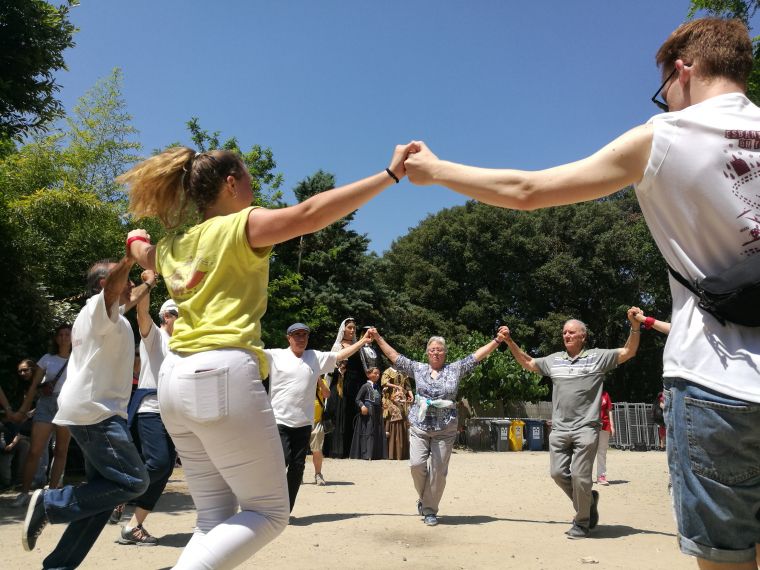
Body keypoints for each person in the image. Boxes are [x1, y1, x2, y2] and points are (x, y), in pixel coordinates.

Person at [405, 17, 760, 565]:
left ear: (683, 70)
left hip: (718, 380)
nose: (665, 100)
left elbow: (529, 190)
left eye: (664, 87)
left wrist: (437, 170)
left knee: (725, 559)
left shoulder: (664, 138)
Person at [121, 142, 416, 569]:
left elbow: (143, 253)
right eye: (248, 179)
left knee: (213, 520)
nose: (253, 188)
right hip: (221, 373)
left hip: (172, 382)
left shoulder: (175, 244)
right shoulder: (241, 226)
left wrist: (134, 240)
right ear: (230, 183)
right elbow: (311, 214)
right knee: (270, 512)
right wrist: (388, 176)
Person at [21, 258, 151, 569]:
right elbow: (116, 293)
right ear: (106, 285)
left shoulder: (111, 315)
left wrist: (152, 280)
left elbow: (129, 300)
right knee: (134, 482)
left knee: (100, 500)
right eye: (127, 278)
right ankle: (50, 504)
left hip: (93, 411)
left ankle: (58, 566)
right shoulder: (97, 306)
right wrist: (131, 256)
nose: (131, 283)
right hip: (97, 413)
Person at [501, 311, 640, 539]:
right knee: (557, 473)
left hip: (586, 428)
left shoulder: (598, 358)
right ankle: (588, 501)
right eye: (564, 332)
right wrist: (509, 342)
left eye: (571, 332)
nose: (566, 335)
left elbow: (628, 351)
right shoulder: (554, 360)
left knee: (580, 475)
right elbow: (527, 361)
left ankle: (582, 521)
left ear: (583, 337)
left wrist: (635, 327)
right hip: (559, 429)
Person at [370, 327, 508, 527]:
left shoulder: (455, 369)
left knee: (438, 471)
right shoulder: (417, 369)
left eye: (440, 350)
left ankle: (429, 509)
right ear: (427, 352)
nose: (436, 352)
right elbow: (395, 357)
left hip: (445, 427)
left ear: (445, 353)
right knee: (416, 465)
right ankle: (425, 498)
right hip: (420, 425)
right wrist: (377, 337)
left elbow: (476, 356)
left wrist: (497, 340)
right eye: (432, 349)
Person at [264, 322, 371, 512]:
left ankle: (285, 510)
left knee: (298, 467)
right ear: (288, 338)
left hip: (304, 423)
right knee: (282, 460)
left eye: (304, 335)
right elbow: (249, 352)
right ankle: (269, 501)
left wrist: (362, 341)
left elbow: (340, 355)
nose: (301, 338)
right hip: (279, 421)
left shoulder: (314, 357)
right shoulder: (275, 355)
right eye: (296, 335)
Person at [113, 270, 178, 546]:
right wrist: (149, 280)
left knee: (164, 469)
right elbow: (141, 312)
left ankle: (133, 526)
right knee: (159, 462)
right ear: (166, 317)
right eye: (178, 315)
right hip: (151, 408)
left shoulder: (186, 345)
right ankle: (120, 493)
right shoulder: (155, 337)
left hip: (175, 414)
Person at [11, 325, 73, 508]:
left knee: (61, 450)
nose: (63, 338)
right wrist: (23, 410)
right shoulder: (47, 359)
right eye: (60, 335)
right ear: (56, 338)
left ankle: (52, 494)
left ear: (73, 337)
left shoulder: (79, 358)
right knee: (35, 450)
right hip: (46, 404)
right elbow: (33, 387)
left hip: (67, 403)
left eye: (67, 334)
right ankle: (24, 492)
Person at [328, 318, 367, 458]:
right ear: (343, 329)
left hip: (357, 385)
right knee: (341, 413)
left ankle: (354, 449)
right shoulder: (337, 346)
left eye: (353, 328)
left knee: (353, 413)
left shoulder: (359, 346)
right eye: (349, 327)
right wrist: (338, 369)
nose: (352, 330)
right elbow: (330, 366)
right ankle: (338, 450)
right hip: (341, 384)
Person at [349, 366, 386, 460]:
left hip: (377, 410)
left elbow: (378, 399)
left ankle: (375, 454)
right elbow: (357, 399)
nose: (377, 375)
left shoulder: (377, 387)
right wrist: (362, 406)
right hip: (368, 410)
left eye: (378, 373)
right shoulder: (365, 386)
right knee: (368, 431)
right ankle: (367, 454)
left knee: (376, 431)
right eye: (375, 373)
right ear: (368, 374)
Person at [381, 367, 413, 460]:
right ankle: (390, 453)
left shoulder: (403, 372)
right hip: (391, 400)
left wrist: (411, 394)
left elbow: (407, 386)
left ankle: (401, 453)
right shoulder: (388, 371)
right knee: (391, 422)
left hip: (401, 400)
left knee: (402, 420)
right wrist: (396, 386)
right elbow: (384, 383)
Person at [310, 374, 331, 485]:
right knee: (297, 450)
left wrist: (319, 381)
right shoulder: (299, 378)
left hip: (317, 421)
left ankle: (318, 474)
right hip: (300, 421)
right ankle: (297, 474)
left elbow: (327, 394)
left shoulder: (322, 381)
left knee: (317, 450)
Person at [595, 390, 615, 486]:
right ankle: (583, 476)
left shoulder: (605, 394)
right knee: (587, 451)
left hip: (605, 425)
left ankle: (601, 476)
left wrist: (612, 425)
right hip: (591, 426)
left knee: (602, 451)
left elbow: (609, 410)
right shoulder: (588, 391)